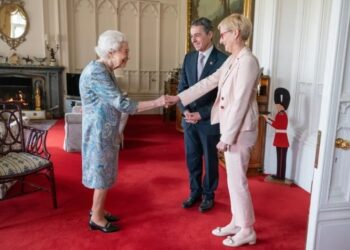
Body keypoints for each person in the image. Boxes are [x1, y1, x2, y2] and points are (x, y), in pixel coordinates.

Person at [166, 14, 260, 247]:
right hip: (232, 128)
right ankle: (237, 222)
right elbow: (207, 83)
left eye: (224, 33)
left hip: (239, 130)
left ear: (236, 33)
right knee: (233, 181)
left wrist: (227, 137)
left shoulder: (248, 61)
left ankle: (247, 230)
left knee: (238, 182)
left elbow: (240, 102)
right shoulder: (234, 59)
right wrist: (178, 97)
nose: (222, 38)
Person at [80, 30, 166, 233]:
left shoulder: (104, 69)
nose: (128, 56)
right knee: (102, 173)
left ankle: (97, 210)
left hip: (104, 130)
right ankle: (97, 218)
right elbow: (122, 103)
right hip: (99, 133)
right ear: (111, 51)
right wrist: (158, 102)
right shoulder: (97, 72)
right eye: (125, 51)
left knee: (105, 172)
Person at [178, 17, 227, 212]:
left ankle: (208, 194)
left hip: (209, 121)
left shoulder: (223, 60)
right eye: (192, 36)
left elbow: (223, 97)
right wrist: (186, 111)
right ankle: (194, 192)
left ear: (210, 34)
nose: (194, 40)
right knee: (192, 158)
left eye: (198, 35)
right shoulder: (188, 58)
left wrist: (202, 114)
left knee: (210, 160)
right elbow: (183, 87)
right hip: (189, 121)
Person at [263, 88, 290, 180]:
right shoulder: (280, 114)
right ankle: (279, 174)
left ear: (282, 106)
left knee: (282, 158)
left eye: (278, 105)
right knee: (279, 158)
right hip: (280, 138)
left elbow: (277, 125)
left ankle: (281, 176)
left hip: (282, 139)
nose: (277, 107)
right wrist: (269, 119)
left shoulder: (282, 114)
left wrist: (268, 120)